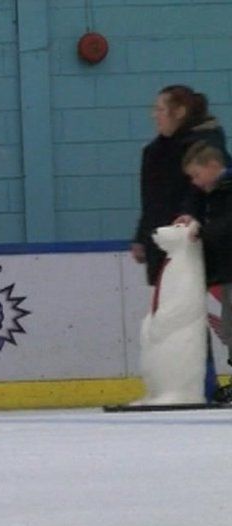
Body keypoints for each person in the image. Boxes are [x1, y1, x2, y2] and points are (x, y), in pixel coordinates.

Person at [131, 85, 230, 401]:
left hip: (196, 243)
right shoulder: (156, 151)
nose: (154, 115)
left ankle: (203, 383)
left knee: (202, 315)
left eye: (160, 109)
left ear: (180, 112)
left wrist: (191, 218)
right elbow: (152, 201)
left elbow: (202, 192)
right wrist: (143, 235)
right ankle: (184, 382)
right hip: (167, 242)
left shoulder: (203, 147)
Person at [180, 142, 232, 373]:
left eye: (196, 175)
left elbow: (226, 227)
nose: (195, 182)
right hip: (227, 273)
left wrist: (200, 230)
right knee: (229, 329)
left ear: (212, 166)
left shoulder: (226, 191)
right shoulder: (213, 195)